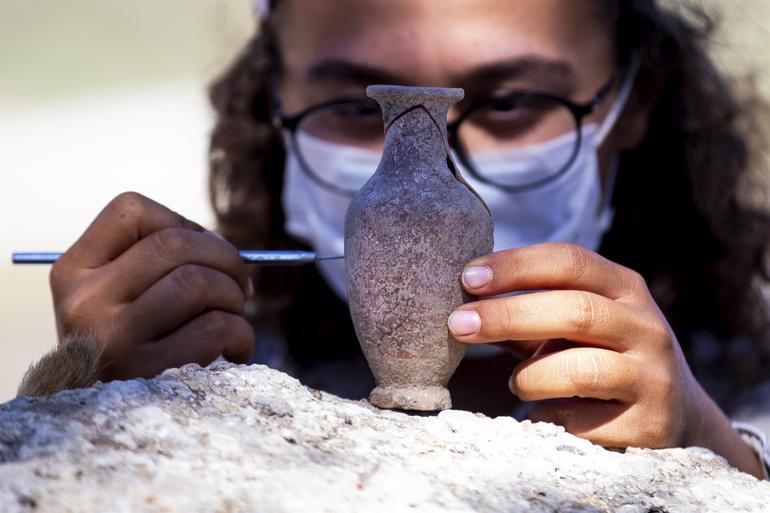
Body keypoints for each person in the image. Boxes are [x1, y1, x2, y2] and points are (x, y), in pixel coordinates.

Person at [30, 0, 769, 479]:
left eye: (512, 102)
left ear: (634, 101)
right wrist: (91, 399)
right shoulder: (212, 361)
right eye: (355, 108)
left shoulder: (749, 363)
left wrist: (714, 445)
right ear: (274, 104)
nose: (455, 158)